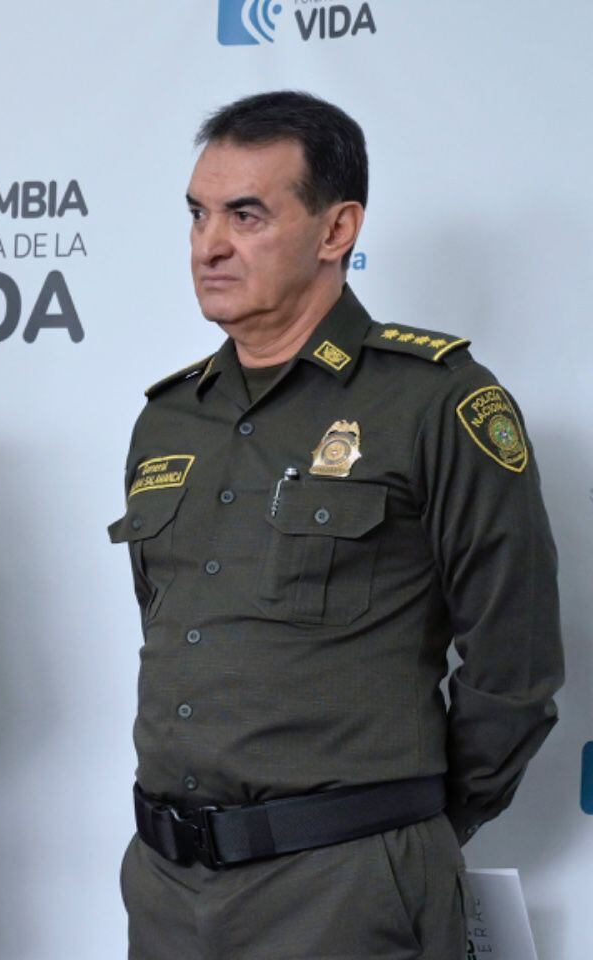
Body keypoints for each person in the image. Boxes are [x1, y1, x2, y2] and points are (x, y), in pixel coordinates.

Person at [109, 90, 563, 959]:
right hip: (167, 890)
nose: (210, 245)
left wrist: (399, 830)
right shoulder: (167, 421)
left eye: (246, 214)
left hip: (347, 889)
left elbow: (517, 666)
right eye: (199, 214)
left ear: (336, 229)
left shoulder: (437, 400)